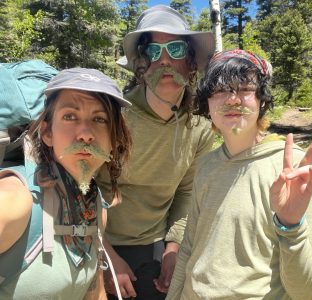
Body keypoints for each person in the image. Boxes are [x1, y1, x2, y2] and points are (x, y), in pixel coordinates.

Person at [166, 49, 312, 300]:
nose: (232, 100)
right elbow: (188, 248)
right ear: (207, 104)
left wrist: (291, 226)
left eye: (244, 89)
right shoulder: (207, 166)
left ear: (262, 99)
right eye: (220, 91)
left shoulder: (296, 170)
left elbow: (309, 292)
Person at [96, 5, 216, 300]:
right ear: (140, 65)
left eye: (176, 49)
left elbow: (186, 193)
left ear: (190, 63)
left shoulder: (200, 128)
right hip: (95, 240)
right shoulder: (112, 116)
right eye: (153, 51)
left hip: (155, 244)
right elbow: (77, 186)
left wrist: (173, 248)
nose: (164, 60)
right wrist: (104, 253)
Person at [0, 68, 132, 299]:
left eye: (99, 119)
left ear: (113, 140)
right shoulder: (13, 201)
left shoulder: (95, 209)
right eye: (70, 116)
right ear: (47, 133)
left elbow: (94, 291)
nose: (85, 134)